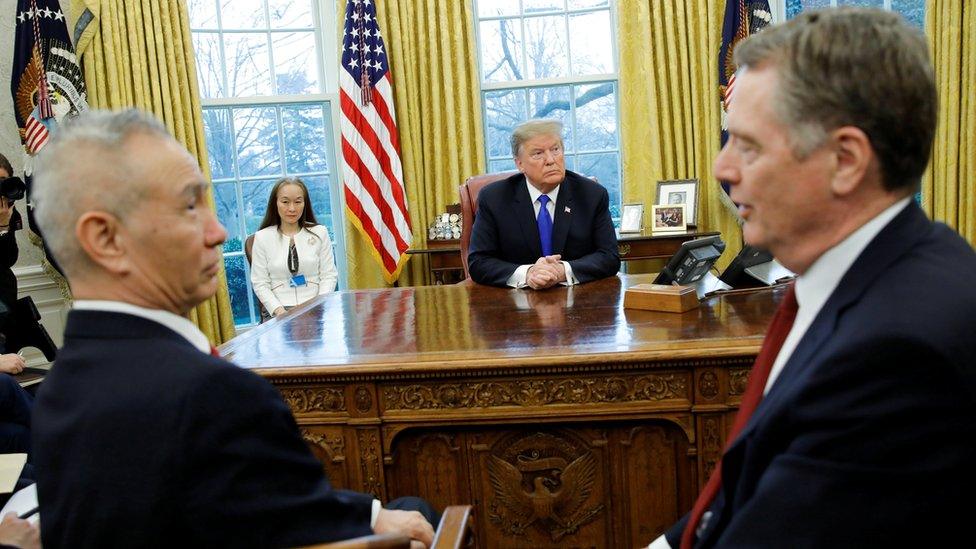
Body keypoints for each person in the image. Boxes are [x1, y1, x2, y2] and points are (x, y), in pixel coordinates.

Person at [30, 109, 435, 548]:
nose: (218, 231)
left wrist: (369, 514)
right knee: (420, 510)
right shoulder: (212, 393)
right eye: (189, 205)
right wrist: (387, 524)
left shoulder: (58, 386)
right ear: (106, 240)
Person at [651, 8, 976, 548]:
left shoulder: (897, 352)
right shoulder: (896, 264)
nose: (721, 170)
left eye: (748, 145)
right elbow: (748, 490)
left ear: (845, 160)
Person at [467, 119, 620, 289]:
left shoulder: (592, 195)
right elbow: (478, 262)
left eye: (555, 150)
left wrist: (562, 271)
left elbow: (609, 257)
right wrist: (529, 273)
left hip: (579, 300)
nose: (550, 160)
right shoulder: (494, 198)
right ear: (519, 164)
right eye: (538, 153)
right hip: (514, 304)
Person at [250, 177, 338, 319]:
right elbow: (260, 283)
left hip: (316, 307)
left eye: (298, 202)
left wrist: (318, 306)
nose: (292, 208)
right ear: (275, 203)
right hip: (278, 311)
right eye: (285, 202)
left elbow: (329, 275)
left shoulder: (320, 232)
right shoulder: (262, 237)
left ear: (305, 204)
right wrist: (281, 313)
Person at [0, 154, 25, 376]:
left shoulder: (7, 209)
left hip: (5, 304)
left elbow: (8, 259)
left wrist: (4, 224)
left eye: (3, 181)